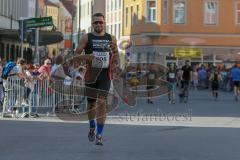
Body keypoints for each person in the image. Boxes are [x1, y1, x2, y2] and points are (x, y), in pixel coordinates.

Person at [75, 13, 119, 146]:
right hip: (90, 75)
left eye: (100, 22)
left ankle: (99, 134)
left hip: (105, 75)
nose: (98, 25)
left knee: (101, 102)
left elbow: (116, 55)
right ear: (92, 24)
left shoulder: (111, 38)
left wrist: (116, 65)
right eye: (96, 23)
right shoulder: (86, 37)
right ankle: (92, 126)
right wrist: (87, 58)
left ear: (104, 23)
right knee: (91, 104)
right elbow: (77, 53)